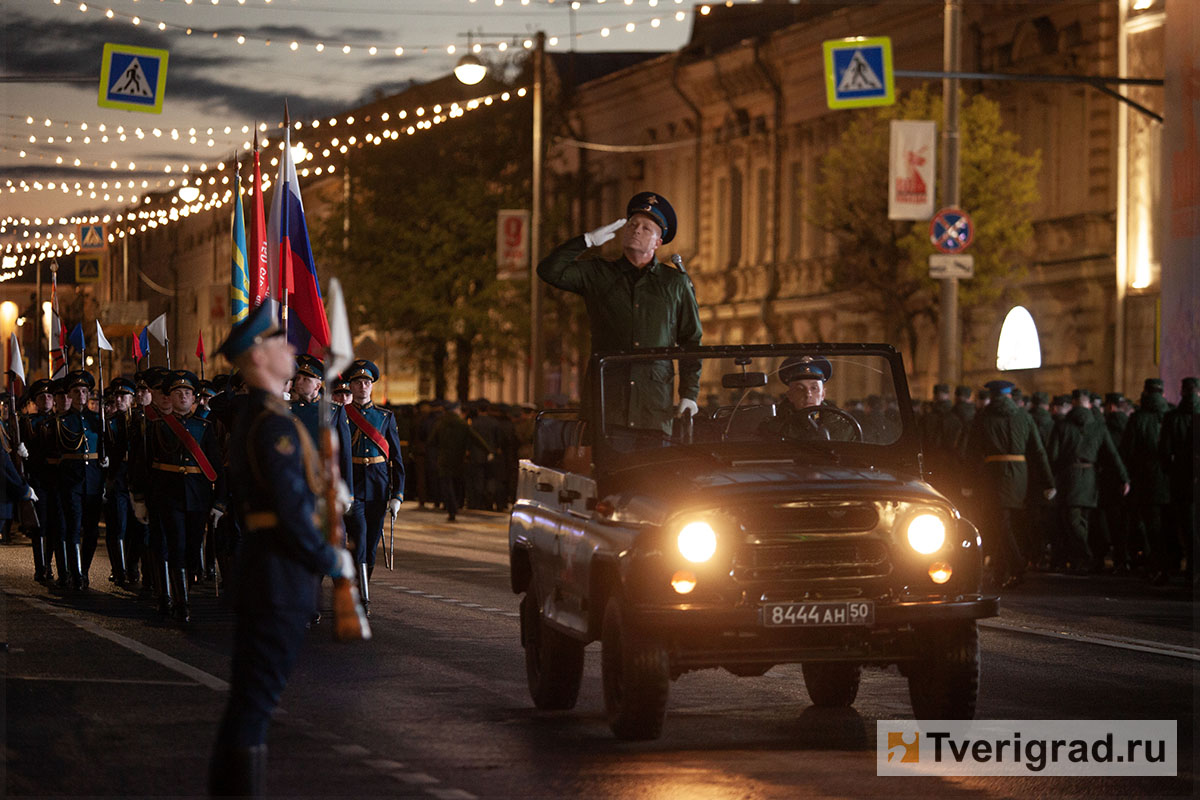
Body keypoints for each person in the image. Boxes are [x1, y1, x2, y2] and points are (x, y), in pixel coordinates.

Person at [209, 303, 357, 797]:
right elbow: (289, 511)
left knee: (253, 700)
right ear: (256, 357)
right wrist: (328, 558)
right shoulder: (270, 423)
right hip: (278, 576)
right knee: (256, 701)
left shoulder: (269, 415)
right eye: (278, 342)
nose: (291, 348)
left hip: (272, 574)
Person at [537, 192, 702, 441]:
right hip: (607, 410)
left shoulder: (674, 283)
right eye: (632, 224)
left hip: (653, 411)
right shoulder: (599, 273)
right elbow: (550, 271)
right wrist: (587, 240)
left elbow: (691, 340)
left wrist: (689, 393)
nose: (636, 230)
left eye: (647, 228)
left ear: (658, 242)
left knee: (658, 480)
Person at [147, 370, 225, 623]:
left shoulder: (204, 428)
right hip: (168, 494)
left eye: (187, 393)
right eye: (178, 393)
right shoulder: (158, 426)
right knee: (177, 546)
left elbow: (217, 466)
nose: (183, 397)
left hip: (198, 496)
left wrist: (219, 503)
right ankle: (182, 603)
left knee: (193, 548)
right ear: (170, 397)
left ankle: (184, 591)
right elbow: (144, 465)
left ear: (194, 399)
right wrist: (140, 496)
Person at [963, 380, 1056, 588]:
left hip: (994, 476)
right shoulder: (1024, 416)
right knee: (1007, 524)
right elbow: (1038, 451)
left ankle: (1017, 567)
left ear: (993, 395)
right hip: (1020, 476)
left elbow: (972, 452)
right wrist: (1048, 481)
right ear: (1009, 395)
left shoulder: (983, 417)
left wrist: (968, 481)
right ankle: (1000, 573)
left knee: (1000, 524)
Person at [343, 359, 405, 614]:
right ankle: (360, 597)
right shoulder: (342, 415)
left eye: (367, 382)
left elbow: (397, 459)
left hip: (378, 487)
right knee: (358, 537)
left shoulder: (385, 417)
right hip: (353, 485)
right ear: (351, 386)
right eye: (357, 382)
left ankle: (362, 585)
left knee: (370, 545)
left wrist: (397, 494)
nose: (363, 386)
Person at [1046, 388, 1129, 573]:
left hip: (1070, 478)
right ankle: (1081, 560)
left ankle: (1085, 558)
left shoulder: (1062, 426)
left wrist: (1050, 480)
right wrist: (1124, 478)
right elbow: (1112, 454)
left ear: (1073, 403)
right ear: (1089, 403)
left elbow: (1053, 456)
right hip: (1091, 478)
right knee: (1083, 520)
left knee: (1073, 521)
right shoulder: (1099, 426)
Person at [56, 370, 106, 590]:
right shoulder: (63, 421)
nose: (81, 395)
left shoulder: (97, 420)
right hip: (71, 479)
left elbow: (106, 446)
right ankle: (76, 573)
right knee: (74, 526)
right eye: (76, 391)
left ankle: (84, 569)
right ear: (70, 395)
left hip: (93, 479)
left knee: (92, 529)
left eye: (84, 391)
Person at [1121, 378, 1172, 583]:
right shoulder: (1171, 414)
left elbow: (1128, 450)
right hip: (1172, 479)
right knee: (1170, 525)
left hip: (1147, 479)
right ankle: (1172, 564)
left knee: (1151, 526)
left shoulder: (1138, 418)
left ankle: (1156, 565)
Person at [760, 355, 857, 441]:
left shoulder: (842, 426)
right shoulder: (773, 429)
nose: (808, 394)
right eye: (800, 389)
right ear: (790, 396)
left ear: (823, 394)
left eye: (814, 388)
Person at [1159, 377, 1197, 587]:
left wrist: (1170, 470)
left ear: (1182, 391)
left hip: (1180, 480)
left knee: (1184, 526)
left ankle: (1184, 569)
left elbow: (1164, 451)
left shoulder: (1172, 417)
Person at [919, 383, 964, 499]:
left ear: (934, 396)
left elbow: (921, 441)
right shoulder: (957, 416)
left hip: (931, 461)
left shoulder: (926, 417)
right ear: (948, 395)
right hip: (951, 464)